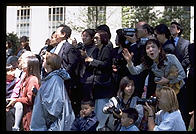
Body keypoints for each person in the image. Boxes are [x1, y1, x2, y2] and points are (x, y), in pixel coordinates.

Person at [30, 52, 75, 131]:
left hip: (53, 125)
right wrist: (38, 94)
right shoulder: (51, 78)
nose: (42, 61)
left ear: (49, 64)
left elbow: (55, 106)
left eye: (44, 60)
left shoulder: (55, 79)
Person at [50, 24, 82, 115]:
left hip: (66, 84)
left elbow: (72, 64)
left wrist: (62, 75)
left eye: (57, 32)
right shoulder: (57, 47)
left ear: (63, 34)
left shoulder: (69, 47)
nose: (55, 34)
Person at [85, 30, 114, 130]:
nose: (94, 40)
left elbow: (106, 65)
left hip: (104, 86)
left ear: (103, 38)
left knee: (101, 112)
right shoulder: (97, 49)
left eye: (97, 38)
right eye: (94, 38)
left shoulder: (106, 49)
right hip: (97, 86)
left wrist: (92, 61)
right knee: (97, 111)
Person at [6, 56, 40, 131]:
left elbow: (29, 100)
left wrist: (16, 100)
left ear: (30, 67)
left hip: (28, 113)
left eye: (24, 63)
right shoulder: (25, 77)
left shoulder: (33, 80)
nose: (21, 64)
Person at [76, 29, 99, 100]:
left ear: (92, 38)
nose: (84, 38)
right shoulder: (81, 47)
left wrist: (86, 57)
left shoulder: (95, 49)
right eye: (83, 36)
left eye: (86, 36)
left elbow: (94, 62)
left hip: (89, 79)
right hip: (80, 78)